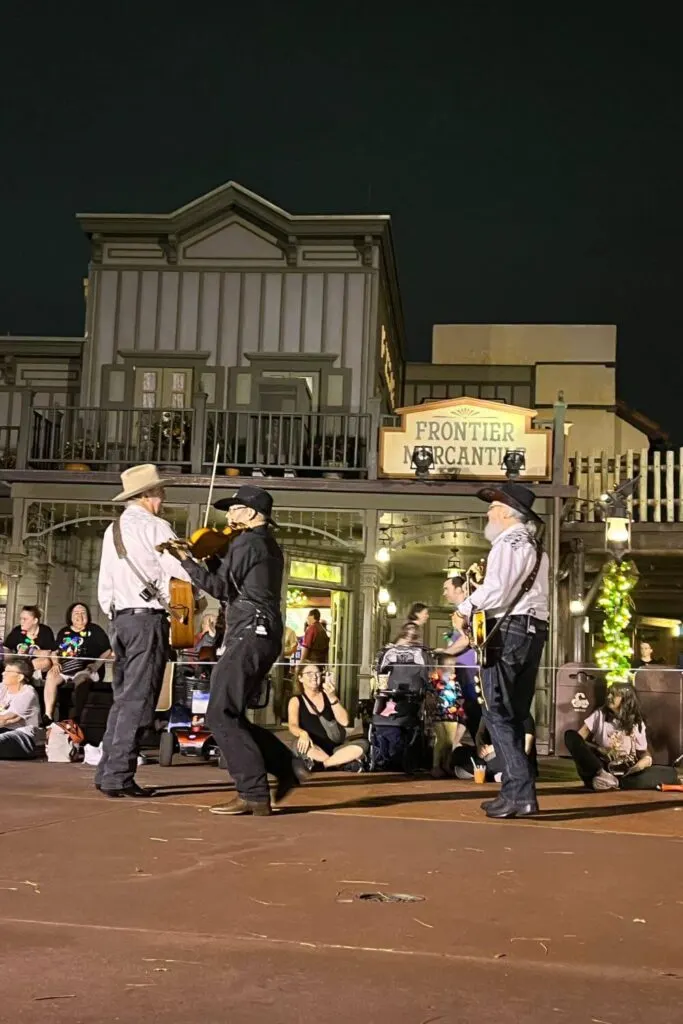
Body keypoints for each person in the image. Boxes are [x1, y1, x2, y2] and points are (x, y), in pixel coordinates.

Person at [168, 484, 304, 816]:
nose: (229, 514)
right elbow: (235, 583)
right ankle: (285, 765)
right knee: (230, 711)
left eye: (236, 508)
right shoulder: (266, 544)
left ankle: (254, 792)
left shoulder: (246, 542)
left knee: (219, 713)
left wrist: (186, 560)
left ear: (254, 514)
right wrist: (213, 556)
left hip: (249, 632)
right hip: (262, 633)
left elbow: (220, 588)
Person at [96, 464, 193, 798]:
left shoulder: (114, 530)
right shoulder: (156, 527)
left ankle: (107, 769)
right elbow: (181, 570)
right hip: (146, 621)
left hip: (119, 619)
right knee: (138, 699)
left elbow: (105, 585)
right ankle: (118, 776)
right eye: (160, 491)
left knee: (122, 698)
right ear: (149, 495)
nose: (163, 497)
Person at [453, 481, 549, 820]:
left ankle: (520, 792)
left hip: (510, 630)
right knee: (514, 710)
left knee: (496, 710)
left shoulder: (508, 543)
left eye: (493, 508)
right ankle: (513, 790)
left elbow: (497, 589)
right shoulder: (536, 546)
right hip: (533, 630)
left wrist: (464, 607)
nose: (488, 513)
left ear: (507, 513)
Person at [564, 684, 678, 791]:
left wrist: (644, 762)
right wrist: (598, 749)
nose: (609, 697)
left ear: (626, 699)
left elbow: (643, 752)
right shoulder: (600, 714)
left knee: (670, 773)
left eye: (613, 694)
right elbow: (578, 739)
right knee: (570, 735)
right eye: (608, 693)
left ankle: (614, 782)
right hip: (600, 765)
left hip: (624, 770)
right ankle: (601, 776)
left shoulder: (636, 722)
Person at [287, 663, 368, 770]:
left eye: (317, 673)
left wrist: (332, 696)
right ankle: (339, 763)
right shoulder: (296, 700)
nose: (314, 677)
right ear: (300, 678)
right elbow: (292, 725)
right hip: (314, 747)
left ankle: (323, 765)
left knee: (364, 744)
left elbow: (345, 722)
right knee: (299, 745)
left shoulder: (329, 695)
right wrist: (303, 733)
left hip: (336, 749)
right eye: (309, 673)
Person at [43, 602, 113, 724]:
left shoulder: (95, 630)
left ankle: (76, 716)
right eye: (76, 613)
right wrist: (55, 663)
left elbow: (107, 650)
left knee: (81, 680)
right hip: (65, 668)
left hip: (86, 669)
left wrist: (96, 665)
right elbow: (55, 651)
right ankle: (48, 715)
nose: (80, 616)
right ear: (70, 616)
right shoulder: (63, 631)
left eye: (83, 613)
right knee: (51, 676)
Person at [0, 657, 43, 759]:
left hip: (24, 736)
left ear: (20, 677)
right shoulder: (2, 687)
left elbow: (5, 721)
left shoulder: (27, 693)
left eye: (8, 671)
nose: (3, 674)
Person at [3, 606, 55, 677]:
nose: (21, 621)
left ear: (35, 621)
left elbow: (48, 653)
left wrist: (30, 651)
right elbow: (6, 649)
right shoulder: (17, 631)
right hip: (19, 663)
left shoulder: (45, 631)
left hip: (36, 665)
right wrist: (15, 655)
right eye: (21, 618)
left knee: (46, 662)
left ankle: (23, 674)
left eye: (25, 619)